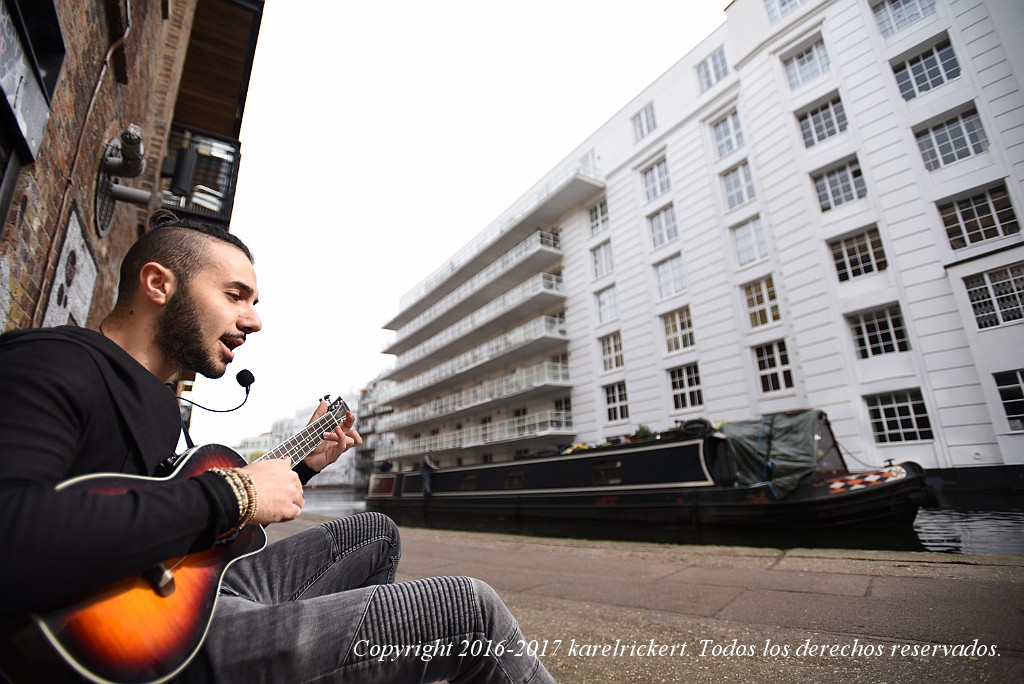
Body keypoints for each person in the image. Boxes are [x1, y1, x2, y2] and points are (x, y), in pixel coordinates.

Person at [0, 211, 554, 684]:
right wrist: (238, 491)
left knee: (373, 532)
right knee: (466, 610)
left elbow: (186, 525)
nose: (254, 320)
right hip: (123, 635)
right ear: (158, 284)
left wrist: (300, 469)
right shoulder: (53, 362)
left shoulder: (163, 405)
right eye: (234, 295)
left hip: (178, 583)